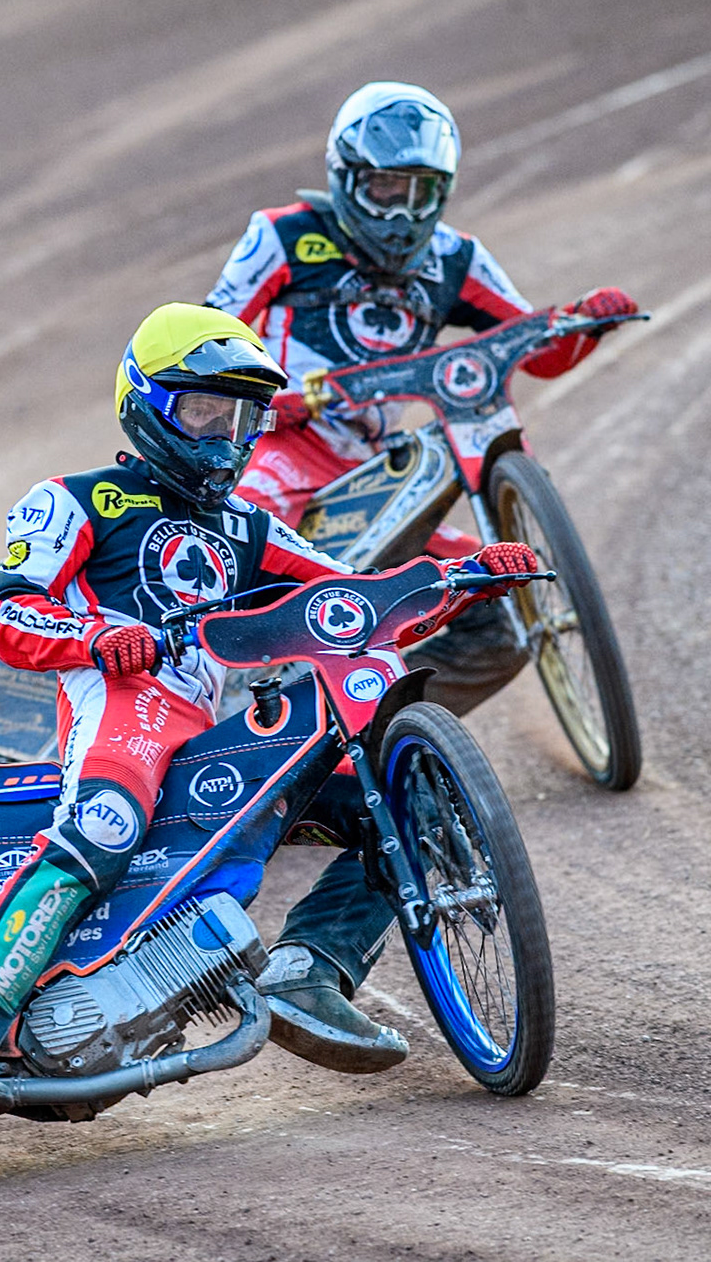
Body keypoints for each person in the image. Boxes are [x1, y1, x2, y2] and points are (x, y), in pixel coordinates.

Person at [0, 303, 537, 1112]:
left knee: (411, 805)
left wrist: (463, 578)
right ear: (147, 403)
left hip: (211, 735)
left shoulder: (247, 526)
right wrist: (98, 638)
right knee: (103, 827)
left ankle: (310, 971)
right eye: (203, 411)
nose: (225, 437)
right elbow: (9, 614)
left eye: (243, 417)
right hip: (122, 709)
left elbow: (349, 597)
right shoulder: (75, 499)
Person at [203, 82, 635, 1066]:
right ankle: (291, 761)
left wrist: (579, 320)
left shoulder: (455, 262)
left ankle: (378, 752)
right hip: (272, 477)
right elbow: (209, 337)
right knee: (282, 595)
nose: (402, 213)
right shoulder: (283, 238)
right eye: (385, 188)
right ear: (347, 179)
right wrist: (276, 394)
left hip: (372, 485)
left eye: (421, 191)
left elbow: (529, 346)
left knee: (492, 609)